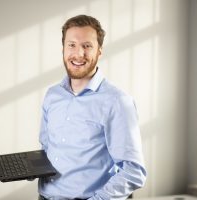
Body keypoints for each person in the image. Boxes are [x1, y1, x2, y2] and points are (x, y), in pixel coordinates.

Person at [38, 15, 146, 200]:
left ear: (99, 51)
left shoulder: (117, 102)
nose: (79, 54)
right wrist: (19, 169)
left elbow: (133, 172)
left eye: (87, 46)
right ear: (63, 49)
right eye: (71, 45)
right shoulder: (52, 95)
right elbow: (48, 148)